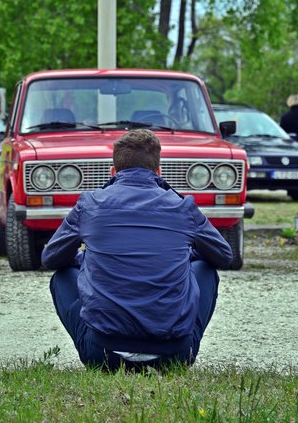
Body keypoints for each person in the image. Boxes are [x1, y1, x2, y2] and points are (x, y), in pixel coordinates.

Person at [41, 128, 233, 371]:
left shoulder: (90, 204)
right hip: (174, 354)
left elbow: (51, 258)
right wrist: (185, 256)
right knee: (205, 268)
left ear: (113, 171)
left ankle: (103, 346)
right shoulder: (183, 206)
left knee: (62, 275)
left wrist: (86, 259)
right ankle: (180, 351)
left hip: (102, 353)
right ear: (158, 171)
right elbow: (223, 256)